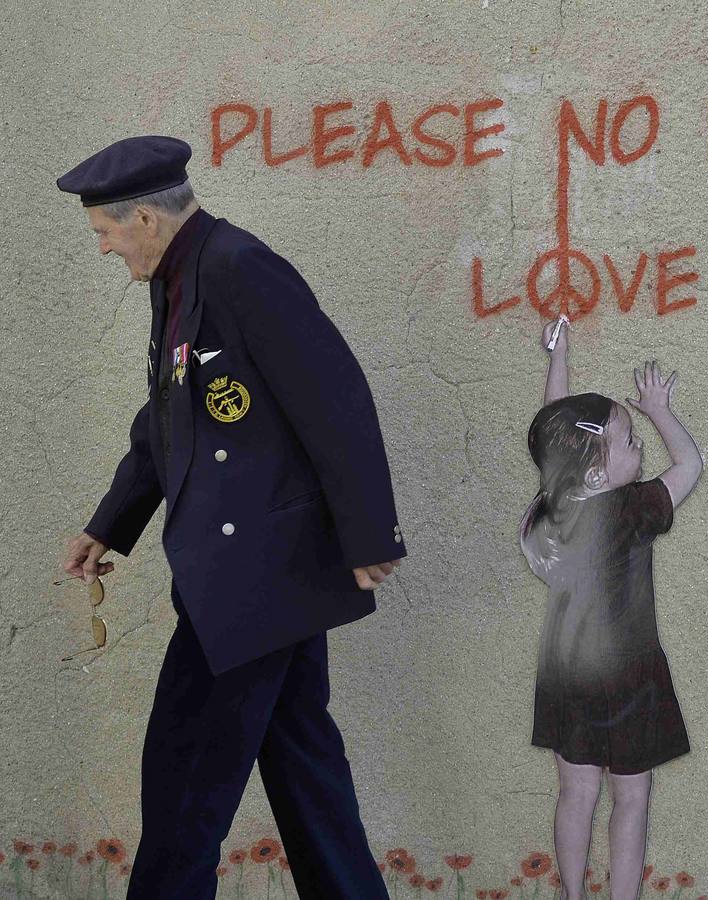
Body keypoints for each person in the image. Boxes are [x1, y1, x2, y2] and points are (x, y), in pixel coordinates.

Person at [56, 135, 404, 899]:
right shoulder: (177, 277)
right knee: (304, 767)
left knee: (185, 776)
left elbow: (336, 400)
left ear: (144, 217)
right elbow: (167, 419)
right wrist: (110, 522)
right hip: (250, 573)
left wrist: (369, 536)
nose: (105, 248)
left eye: (105, 232)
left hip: (254, 574)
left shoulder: (240, 269)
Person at [519, 318, 703, 900]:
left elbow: (558, 426)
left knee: (575, 794)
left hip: (568, 670)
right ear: (598, 470)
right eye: (629, 442)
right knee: (631, 801)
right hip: (629, 678)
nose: (639, 447)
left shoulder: (557, 507)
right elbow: (691, 465)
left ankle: (573, 895)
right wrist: (659, 411)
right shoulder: (632, 510)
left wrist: (559, 359)